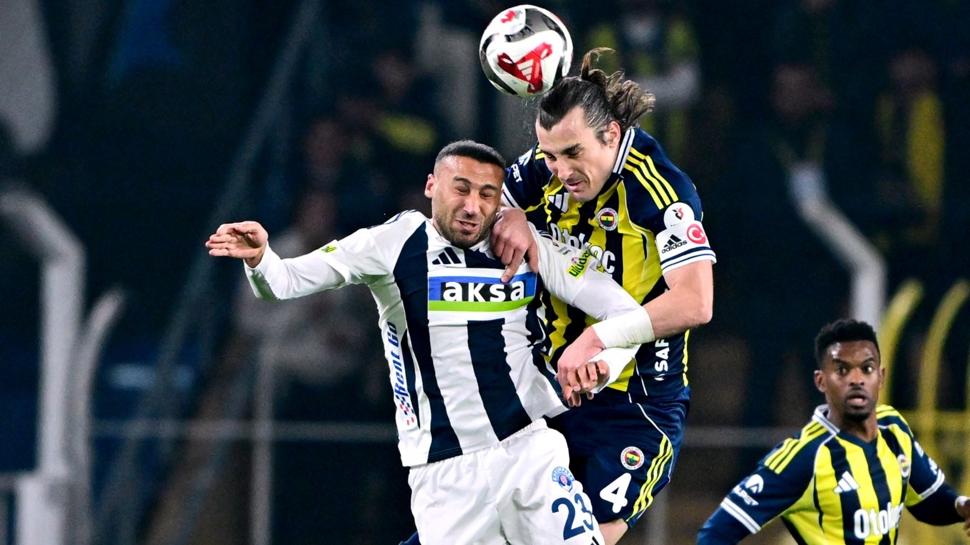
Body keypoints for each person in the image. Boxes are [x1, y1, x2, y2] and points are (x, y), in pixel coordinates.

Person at [206, 140, 650, 545]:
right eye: (461, 189)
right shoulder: (392, 244)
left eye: (487, 194)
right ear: (431, 186)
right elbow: (284, 281)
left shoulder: (524, 243)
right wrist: (261, 260)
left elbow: (628, 315)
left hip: (527, 450)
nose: (472, 206)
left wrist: (604, 363)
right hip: (445, 474)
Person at [485, 47, 716, 545]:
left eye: (573, 154)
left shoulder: (660, 189)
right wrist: (508, 216)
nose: (560, 170)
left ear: (611, 134)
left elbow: (696, 302)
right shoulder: (542, 169)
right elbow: (479, 213)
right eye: (550, 155)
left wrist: (598, 339)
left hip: (634, 406)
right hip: (546, 396)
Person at [696, 318, 970, 544]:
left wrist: (961, 506)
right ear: (821, 381)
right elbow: (716, 534)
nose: (856, 379)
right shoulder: (804, 457)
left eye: (867, 368)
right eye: (842, 370)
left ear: (881, 377)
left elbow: (929, 501)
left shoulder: (894, 429)